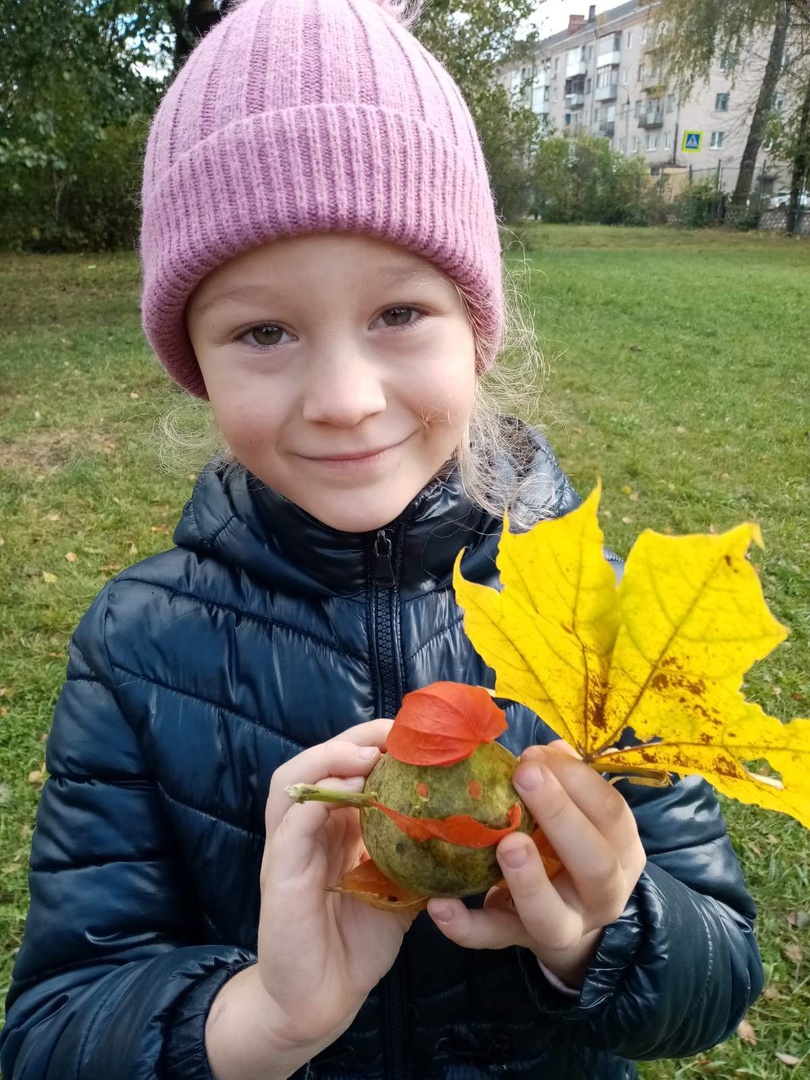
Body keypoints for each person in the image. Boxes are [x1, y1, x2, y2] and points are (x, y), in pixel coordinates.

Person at [0, 1, 763, 1077]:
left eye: (399, 313)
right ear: (196, 364)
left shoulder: (606, 626)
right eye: (264, 332)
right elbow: (52, 1032)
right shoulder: (135, 648)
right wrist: (267, 1018)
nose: (346, 400)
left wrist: (600, 932)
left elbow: (720, 972)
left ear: (476, 323)